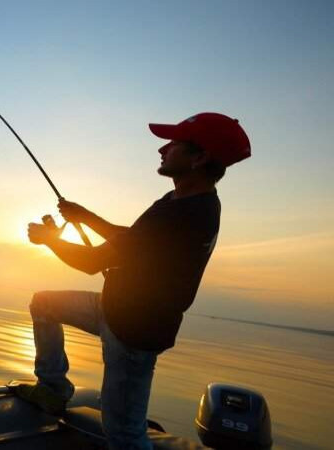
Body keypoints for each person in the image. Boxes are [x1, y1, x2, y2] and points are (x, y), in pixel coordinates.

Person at [16, 112, 251, 449]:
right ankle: (53, 389)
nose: (163, 149)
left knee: (125, 435)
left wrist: (48, 239)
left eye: (173, 144)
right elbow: (132, 239)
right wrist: (85, 217)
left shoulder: (183, 214)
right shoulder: (184, 200)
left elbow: (92, 261)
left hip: (133, 333)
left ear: (199, 158)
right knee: (44, 303)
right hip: (113, 307)